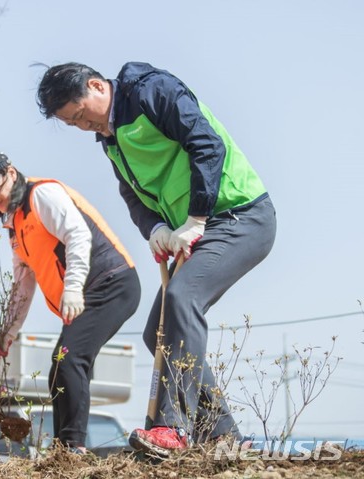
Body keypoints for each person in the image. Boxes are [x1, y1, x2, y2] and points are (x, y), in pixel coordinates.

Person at [36, 62, 277, 456]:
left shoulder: (151, 92)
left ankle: (172, 430)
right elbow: (131, 195)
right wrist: (155, 229)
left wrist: (197, 217)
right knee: (158, 332)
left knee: (181, 300)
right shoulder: (111, 140)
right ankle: (221, 434)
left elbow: (206, 143)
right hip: (197, 228)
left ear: (97, 86)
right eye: (72, 124)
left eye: (81, 115)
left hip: (239, 214)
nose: (83, 127)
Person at [0, 152, 140, 453]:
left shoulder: (41, 195)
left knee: (72, 360)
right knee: (58, 369)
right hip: (89, 293)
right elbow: (23, 282)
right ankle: (63, 449)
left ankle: (74, 448)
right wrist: (7, 333)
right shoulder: (16, 223)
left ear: (10, 173)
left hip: (110, 283)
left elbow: (78, 235)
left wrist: (73, 288)